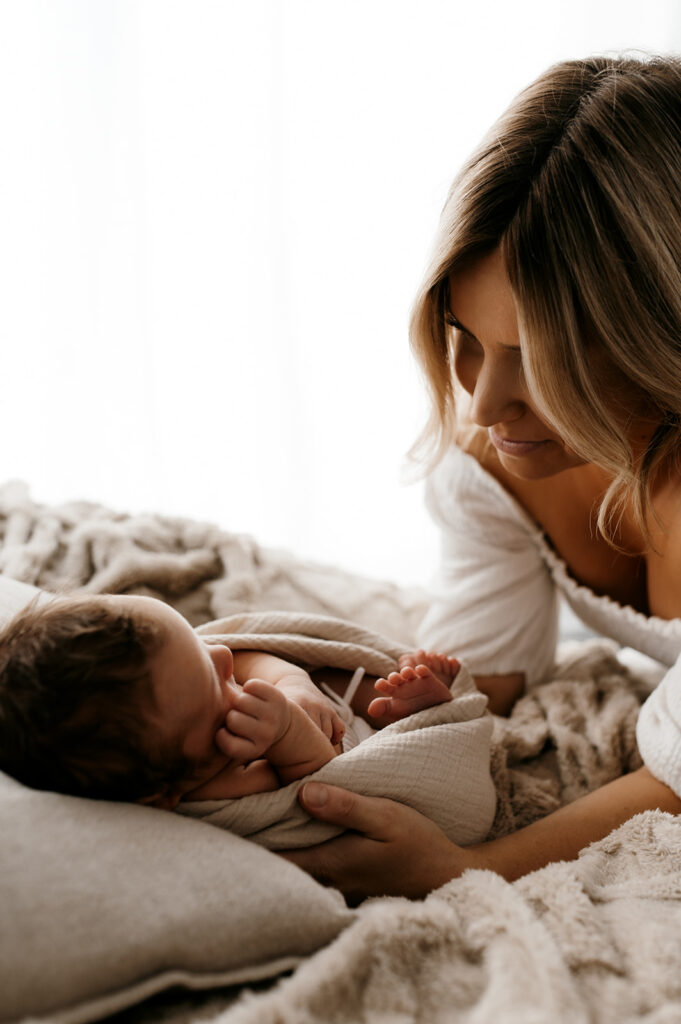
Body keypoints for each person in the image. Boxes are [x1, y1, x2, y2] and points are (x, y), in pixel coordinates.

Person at [282, 54, 681, 900]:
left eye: (535, 359)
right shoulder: (497, 466)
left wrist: (465, 871)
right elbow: (479, 683)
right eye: (463, 335)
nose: (485, 402)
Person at [0, 593, 457, 809]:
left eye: (199, 647)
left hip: (327, 701)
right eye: (212, 681)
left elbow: (247, 652)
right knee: (368, 725)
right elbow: (320, 782)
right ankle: (419, 712)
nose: (222, 657)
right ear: (160, 796)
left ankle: (397, 688)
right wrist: (287, 732)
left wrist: (293, 682)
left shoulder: (181, 692)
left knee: (330, 677)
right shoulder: (220, 786)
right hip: (351, 750)